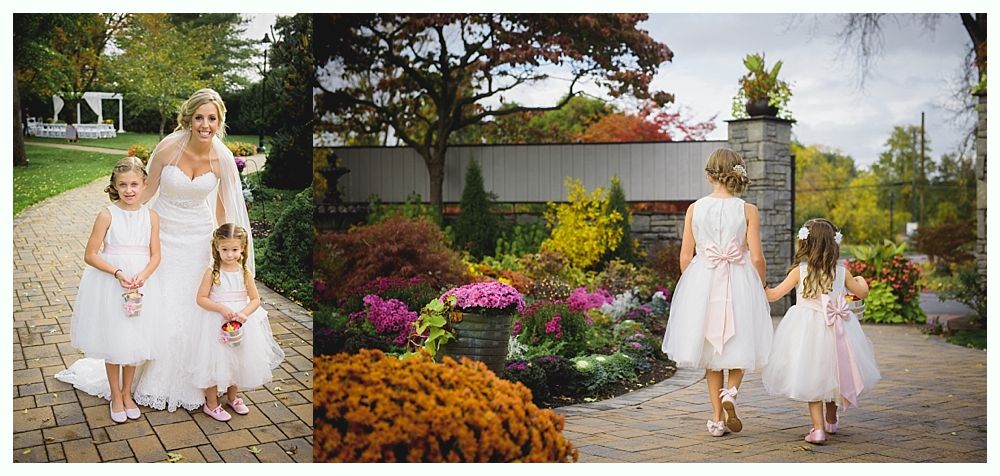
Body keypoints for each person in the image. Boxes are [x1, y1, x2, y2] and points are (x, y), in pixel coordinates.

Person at [128, 88, 256, 412]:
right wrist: (125, 221)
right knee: (166, 307)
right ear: (188, 118)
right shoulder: (168, 147)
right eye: (199, 117)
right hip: (165, 236)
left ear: (219, 121)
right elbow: (148, 190)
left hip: (201, 238)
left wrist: (229, 248)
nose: (205, 124)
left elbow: (226, 208)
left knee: (196, 310)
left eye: (211, 118)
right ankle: (156, 379)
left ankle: (204, 381)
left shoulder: (222, 157)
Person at [660, 147, 773, 437]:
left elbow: (685, 256)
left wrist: (694, 286)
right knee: (742, 340)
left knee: (711, 352)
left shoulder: (695, 209)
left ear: (709, 175)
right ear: (738, 173)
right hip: (739, 280)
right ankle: (731, 394)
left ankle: (717, 419)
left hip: (705, 279)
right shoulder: (748, 210)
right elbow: (757, 257)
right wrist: (760, 284)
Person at [55, 157, 161, 422]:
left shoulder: (151, 216)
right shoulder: (107, 214)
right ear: (114, 185)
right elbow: (90, 254)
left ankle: (128, 393)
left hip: (140, 285)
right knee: (114, 338)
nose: (129, 190)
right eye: (123, 184)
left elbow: (156, 255)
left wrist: (143, 276)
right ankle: (115, 394)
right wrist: (117, 273)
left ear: (144, 184)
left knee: (134, 338)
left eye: (135, 184)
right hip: (111, 284)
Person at [762, 218, 881, 445]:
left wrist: (761, 283)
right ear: (834, 243)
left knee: (812, 376)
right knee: (835, 371)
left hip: (806, 331)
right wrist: (861, 280)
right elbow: (862, 293)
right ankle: (831, 419)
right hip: (837, 329)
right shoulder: (841, 271)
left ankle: (817, 429)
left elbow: (774, 295)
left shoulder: (801, 271)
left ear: (806, 243)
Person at [190, 224, 284, 421]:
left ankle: (233, 397)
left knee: (237, 360)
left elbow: (256, 299)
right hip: (215, 322)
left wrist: (243, 313)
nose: (230, 254)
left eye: (234, 249)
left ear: (243, 248)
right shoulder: (212, 272)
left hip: (239, 323)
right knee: (214, 362)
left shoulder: (244, 272)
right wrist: (221, 308)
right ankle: (212, 403)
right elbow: (201, 298)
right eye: (225, 249)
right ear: (217, 248)